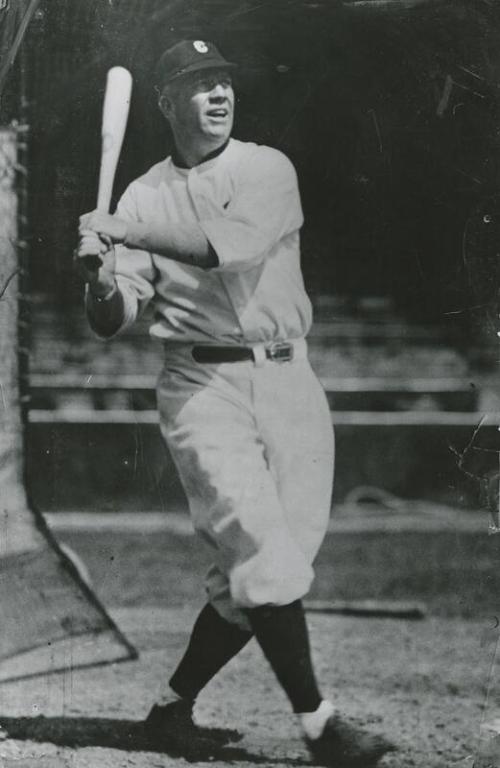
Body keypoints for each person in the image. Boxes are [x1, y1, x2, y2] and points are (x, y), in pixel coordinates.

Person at [75, 39, 395, 766]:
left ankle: (169, 708)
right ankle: (321, 728)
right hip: (202, 385)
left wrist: (124, 232)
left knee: (261, 573)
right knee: (260, 552)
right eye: (197, 83)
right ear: (165, 102)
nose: (217, 94)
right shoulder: (139, 194)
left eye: (222, 81)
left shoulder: (265, 168)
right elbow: (115, 317)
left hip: (289, 381)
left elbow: (234, 247)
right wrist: (99, 278)